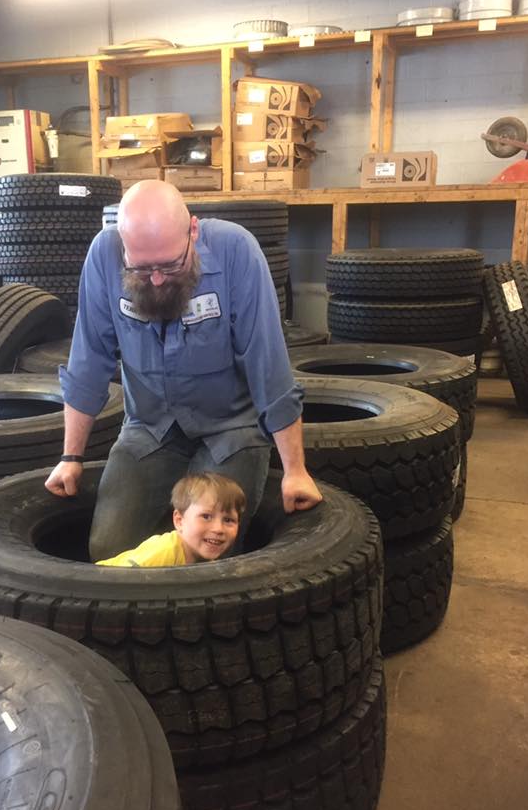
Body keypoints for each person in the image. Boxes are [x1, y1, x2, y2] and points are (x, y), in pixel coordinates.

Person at [45, 179, 322, 560]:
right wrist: (70, 458)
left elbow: (268, 364)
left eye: (169, 265)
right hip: (149, 427)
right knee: (108, 551)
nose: (156, 279)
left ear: (193, 230)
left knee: (210, 546)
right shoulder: (104, 256)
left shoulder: (235, 251)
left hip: (231, 428)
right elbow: (88, 362)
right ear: (124, 245)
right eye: (142, 269)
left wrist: (295, 470)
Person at [96, 471, 244, 567]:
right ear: (179, 521)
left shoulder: (205, 558)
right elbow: (114, 587)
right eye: (206, 517)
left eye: (228, 520)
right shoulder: (163, 553)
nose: (218, 529)